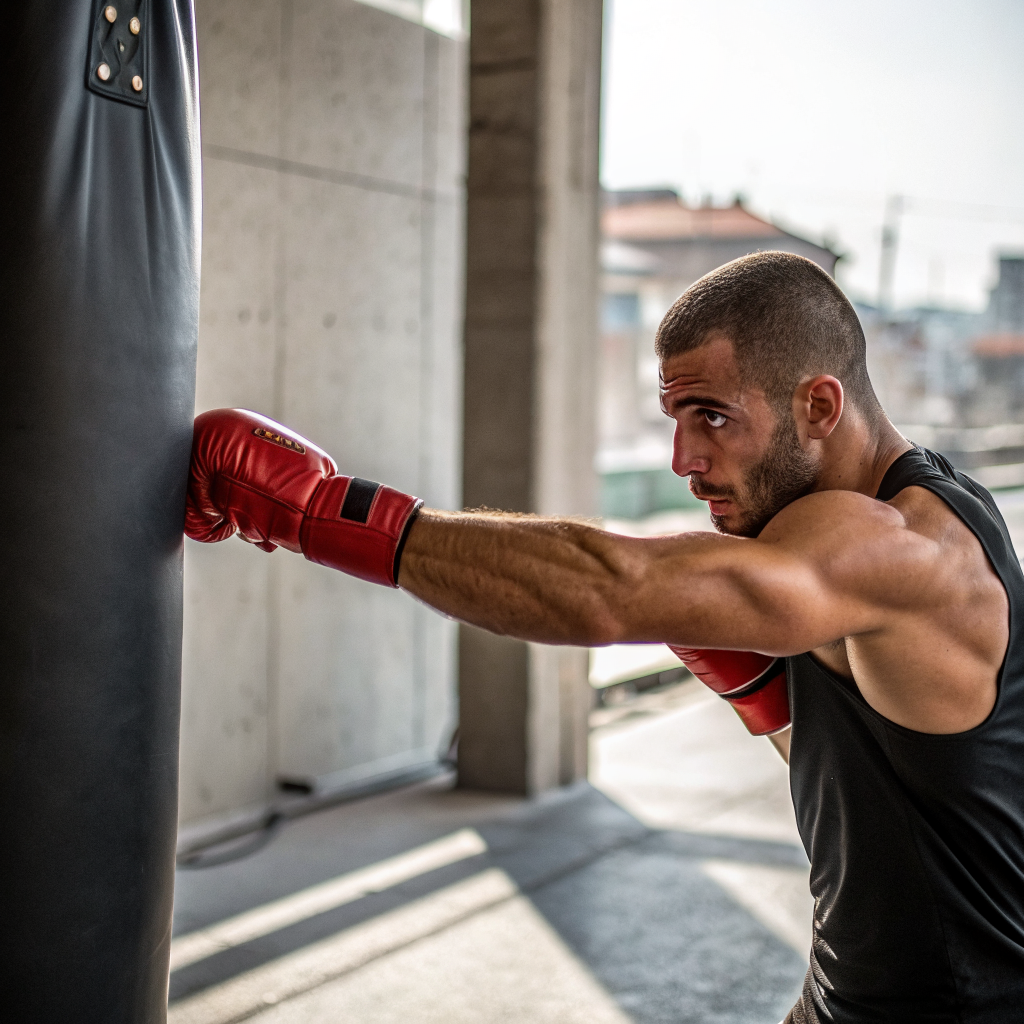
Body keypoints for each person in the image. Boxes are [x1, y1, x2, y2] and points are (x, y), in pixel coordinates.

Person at [185, 251, 1024, 1023]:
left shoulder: (900, 552)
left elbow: (613, 589)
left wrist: (321, 513)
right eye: (674, 416)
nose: (681, 458)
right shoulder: (923, 507)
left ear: (818, 404)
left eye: (712, 417)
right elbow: (896, 798)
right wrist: (765, 696)